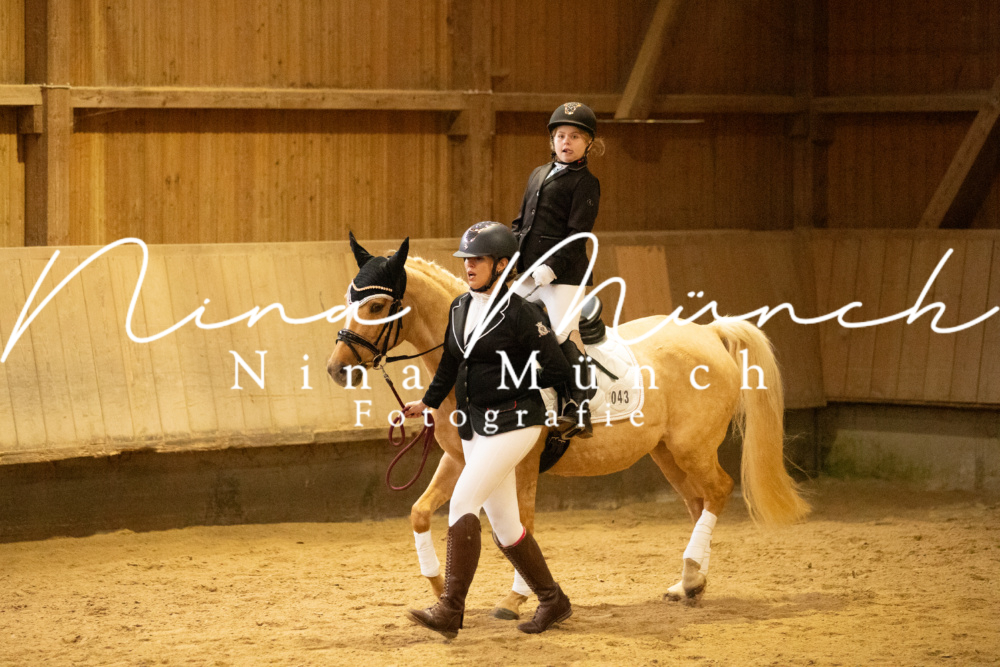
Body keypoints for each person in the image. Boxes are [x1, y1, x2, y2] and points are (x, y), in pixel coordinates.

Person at [401, 221, 574, 639]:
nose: (468, 266)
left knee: (463, 501)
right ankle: (553, 600)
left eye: (477, 259)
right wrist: (427, 401)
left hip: (516, 421)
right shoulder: (460, 307)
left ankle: (450, 609)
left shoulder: (521, 313)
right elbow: (449, 363)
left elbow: (556, 368)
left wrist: (513, 383)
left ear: (501, 265)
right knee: (506, 527)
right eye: (466, 259)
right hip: (477, 424)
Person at [511, 101, 604, 438]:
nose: (566, 142)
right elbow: (521, 224)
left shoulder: (586, 183)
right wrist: (508, 259)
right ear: (552, 140)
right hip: (528, 271)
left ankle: (579, 405)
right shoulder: (538, 173)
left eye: (575, 137)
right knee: (503, 317)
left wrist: (551, 268)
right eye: (561, 135)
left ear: (588, 144)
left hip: (564, 275)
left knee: (561, 333)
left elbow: (578, 236)